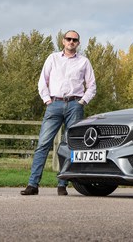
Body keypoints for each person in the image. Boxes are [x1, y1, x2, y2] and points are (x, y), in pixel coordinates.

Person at [21, 30, 96, 196]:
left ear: (78, 43)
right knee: (43, 144)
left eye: (74, 40)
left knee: (70, 146)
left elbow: (91, 86)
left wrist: (82, 102)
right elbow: (43, 81)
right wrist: (47, 100)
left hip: (75, 105)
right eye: (68, 39)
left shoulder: (84, 62)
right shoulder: (52, 58)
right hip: (54, 104)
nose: (71, 42)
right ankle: (33, 184)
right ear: (63, 41)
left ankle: (63, 184)